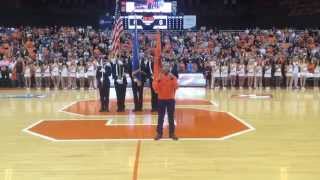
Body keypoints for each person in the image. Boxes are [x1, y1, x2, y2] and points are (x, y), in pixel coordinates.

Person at [153, 62, 179, 141]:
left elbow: (176, 86)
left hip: (170, 99)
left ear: (169, 68)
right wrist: (158, 81)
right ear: (162, 68)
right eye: (165, 66)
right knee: (160, 117)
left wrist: (172, 79)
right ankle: (159, 133)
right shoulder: (158, 77)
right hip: (161, 100)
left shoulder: (173, 77)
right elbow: (155, 87)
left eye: (168, 66)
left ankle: (172, 133)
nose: (166, 68)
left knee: (171, 117)